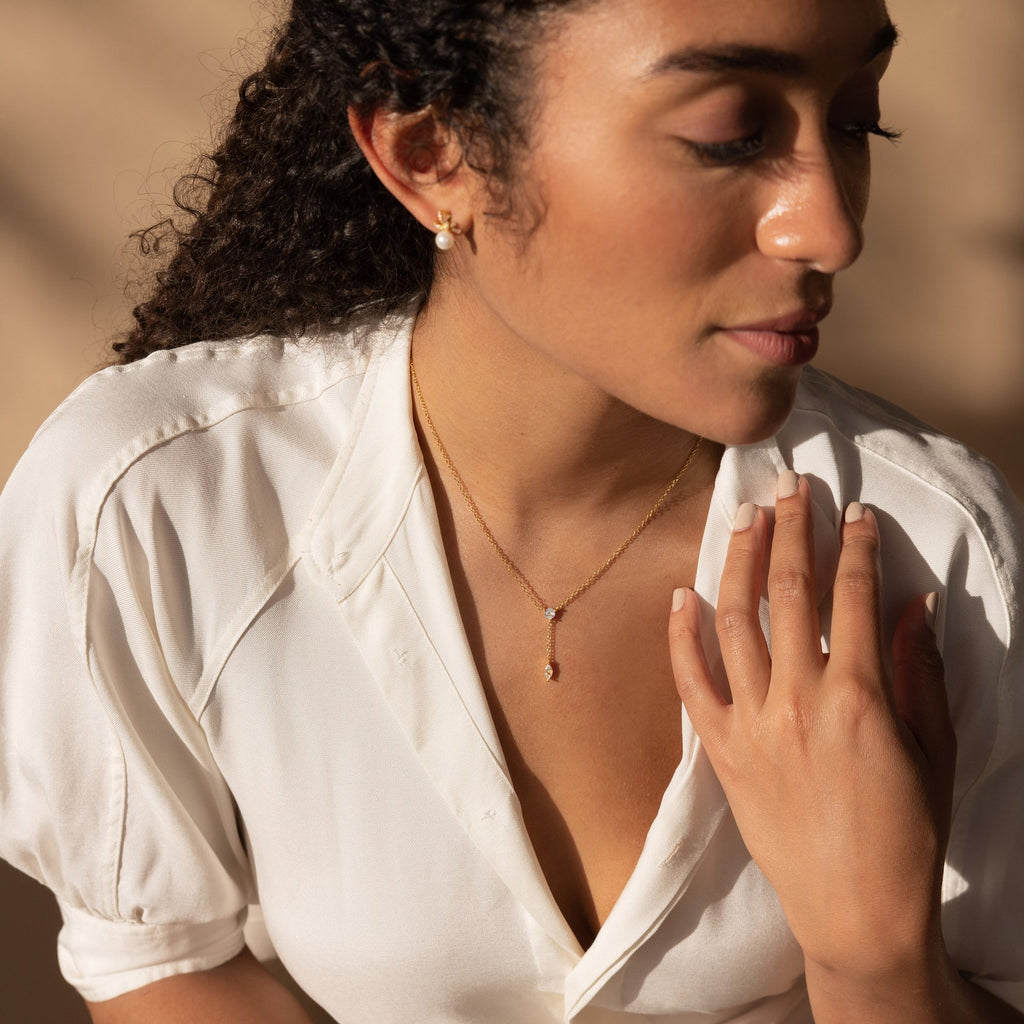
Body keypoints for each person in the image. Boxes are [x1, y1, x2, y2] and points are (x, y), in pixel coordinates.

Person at [0, 0, 1022, 1021]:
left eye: (855, 119)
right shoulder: (157, 501)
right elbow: (162, 960)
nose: (831, 229)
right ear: (433, 153)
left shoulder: (933, 558)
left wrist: (877, 962)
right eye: (729, 136)